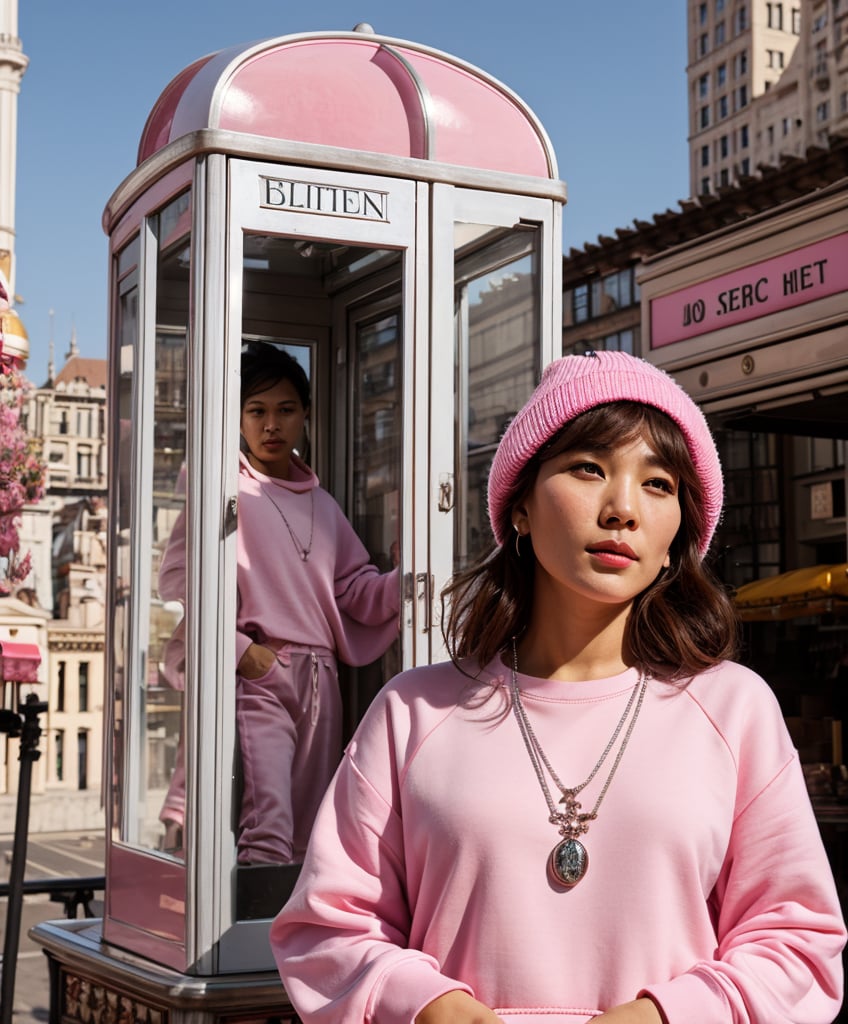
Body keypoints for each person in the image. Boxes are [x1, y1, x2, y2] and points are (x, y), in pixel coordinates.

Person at [270, 350, 846, 1024]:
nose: (622, 508)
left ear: (677, 538)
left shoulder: (733, 708)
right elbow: (324, 929)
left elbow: (800, 945)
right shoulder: (411, 711)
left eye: (658, 484)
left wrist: (668, 1016)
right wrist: (430, 1007)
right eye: (588, 469)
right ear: (518, 505)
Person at [159, 343, 400, 865]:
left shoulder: (324, 504)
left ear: (305, 415)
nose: (272, 425)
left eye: (286, 410)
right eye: (257, 411)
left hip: (321, 680)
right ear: (238, 418)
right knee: (267, 823)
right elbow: (181, 577)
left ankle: (290, 942)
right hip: (262, 672)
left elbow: (356, 591)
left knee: (308, 832)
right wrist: (243, 651)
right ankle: (249, 941)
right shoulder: (224, 488)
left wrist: (409, 577)